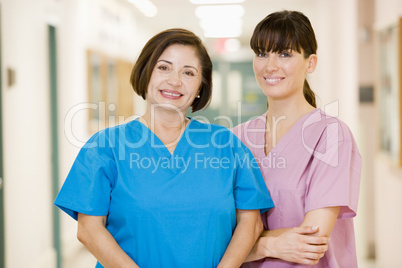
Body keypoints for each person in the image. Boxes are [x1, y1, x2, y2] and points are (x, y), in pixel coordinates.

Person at [54, 28, 274, 268]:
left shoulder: (226, 145)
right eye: (164, 67)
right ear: (145, 73)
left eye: (188, 72)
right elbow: (89, 230)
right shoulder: (104, 147)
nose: (175, 81)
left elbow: (250, 223)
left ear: (201, 86)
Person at [231, 11, 362, 267]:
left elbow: (311, 242)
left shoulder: (331, 136)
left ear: (310, 63)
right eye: (261, 53)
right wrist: (272, 244)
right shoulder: (237, 137)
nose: (270, 66)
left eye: (285, 54)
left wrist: (247, 244)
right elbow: (217, 239)